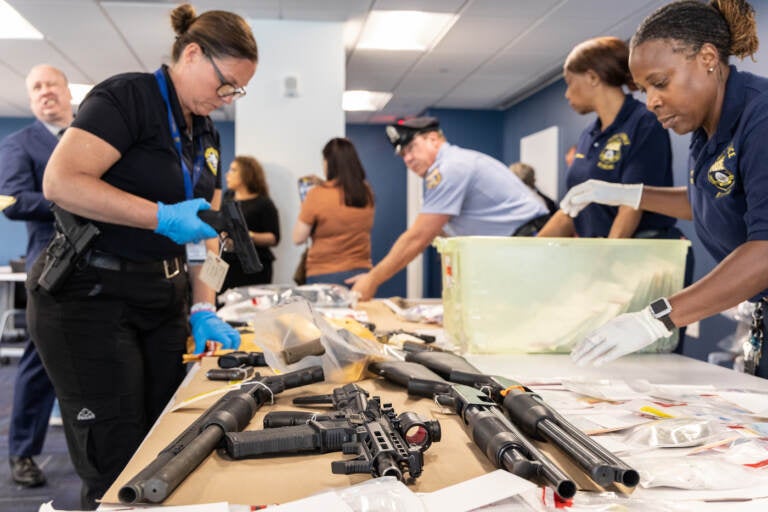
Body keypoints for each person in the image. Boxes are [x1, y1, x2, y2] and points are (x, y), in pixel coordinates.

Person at [25, 4, 258, 508]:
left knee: (167, 446)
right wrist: (162, 217)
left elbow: (209, 234)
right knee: (116, 463)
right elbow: (60, 183)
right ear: (191, 54)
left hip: (162, 299)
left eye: (237, 90)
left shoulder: (207, 133)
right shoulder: (127, 97)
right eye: (227, 84)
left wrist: (202, 304)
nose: (229, 98)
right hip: (89, 300)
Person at [565, 0, 768, 377]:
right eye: (644, 90)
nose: (653, 101)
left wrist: (655, 318)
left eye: (660, 83)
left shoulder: (761, 116)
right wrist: (625, 193)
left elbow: (766, 250)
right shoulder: (707, 128)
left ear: (708, 57)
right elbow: (704, 201)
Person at [349, 117, 549, 300]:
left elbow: (419, 236)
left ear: (433, 139)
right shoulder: (450, 165)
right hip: (517, 253)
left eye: (411, 147)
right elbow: (440, 232)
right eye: (403, 154)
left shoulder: (449, 168)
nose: (407, 158)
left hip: (528, 252)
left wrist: (372, 280)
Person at [0, 64, 72, 488]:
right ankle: (23, 451)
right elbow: (11, 201)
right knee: (40, 359)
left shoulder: (91, 139)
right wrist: (76, 199)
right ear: (30, 100)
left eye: (52, 85)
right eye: (37, 88)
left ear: (67, 92)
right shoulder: (19, 144)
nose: (46, 92)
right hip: (51, 266)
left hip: (103, 264)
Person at [538, 36, 680, 240]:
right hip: (599, 249)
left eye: (570, 83)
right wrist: (524, 252)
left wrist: (606, 259)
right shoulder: (588, 135)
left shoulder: (644, 122)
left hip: (639, 251)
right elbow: (570, 211)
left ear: (592, 77)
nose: (567, 94)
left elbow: (631, 204)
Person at [293, 138, 374, 285]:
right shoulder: (366, 192)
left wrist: (305, 207)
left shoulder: (316, 194)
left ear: (328, 163)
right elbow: (341, 203)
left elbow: (298, 238)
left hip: (324, 274)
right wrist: (324, 185)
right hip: (360, 274)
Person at [221, 155, 280, 289]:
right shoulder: (226, 197)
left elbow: (274, 238)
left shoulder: (264, 203)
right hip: (227, 264)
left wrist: (248, 235)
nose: (227, 174)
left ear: (246, 174)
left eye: (233, 170)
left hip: (254, 268)